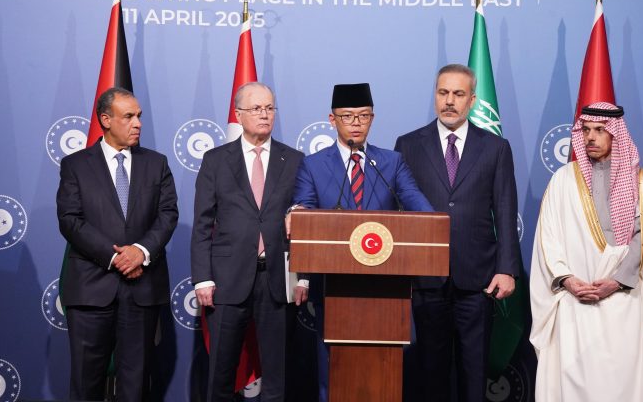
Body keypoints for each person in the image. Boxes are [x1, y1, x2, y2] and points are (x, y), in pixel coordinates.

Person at [289, 82, 433, 402]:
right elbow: (303, 210)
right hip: (334, 289)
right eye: (348, 116)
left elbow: (420, 207)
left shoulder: (391, 163)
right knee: (333, 372)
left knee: (384, 374)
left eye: (363, 116)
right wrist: (297, 213)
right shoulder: (313, 165)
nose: (356, 123)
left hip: (386, 290)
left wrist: (432, 223)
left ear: (373, 118)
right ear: (332, 119)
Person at [529, 102, 643, 401]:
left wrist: (616, 281)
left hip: (626, 299)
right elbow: (548, 237)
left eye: (600, 130)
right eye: (586, 130)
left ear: (616, 133)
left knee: (625, 384)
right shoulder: (563, 180)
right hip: (576, 301)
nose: (590, 137)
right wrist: (569, 280)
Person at [394, 64, 521, 401]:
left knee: (473, 373)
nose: (449, 101)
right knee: (429, 374)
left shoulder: (495, 148)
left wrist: (507, 269)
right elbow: (396, 213)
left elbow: (505, 211)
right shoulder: (408, 145)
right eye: (443, 92)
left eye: (458, 94)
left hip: (478, 281)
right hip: (425, 278)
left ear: (472, 100)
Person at [57, 87, 179, 401]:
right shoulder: (75, 165)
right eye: (128, 116)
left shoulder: (156, 163)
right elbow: (70, 220)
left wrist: (140, 252)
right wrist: (115, 258)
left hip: (142, 289)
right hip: (91, 289)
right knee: (86, 384)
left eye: (139, 116)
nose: (138, 123)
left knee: (135, 385)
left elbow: (167, 214)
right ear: (106, 120)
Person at [190, 82, 305, 402]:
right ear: (238, 115)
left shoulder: (294, 159)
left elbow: (306, 223)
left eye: (269, 108)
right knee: (221, 373)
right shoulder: (215, 160)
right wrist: (202, 278)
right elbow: (202, 224)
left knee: (277, 375)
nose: (265, 114)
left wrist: (303, 276)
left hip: (278, 279)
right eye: (256, 108)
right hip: (227, 279)